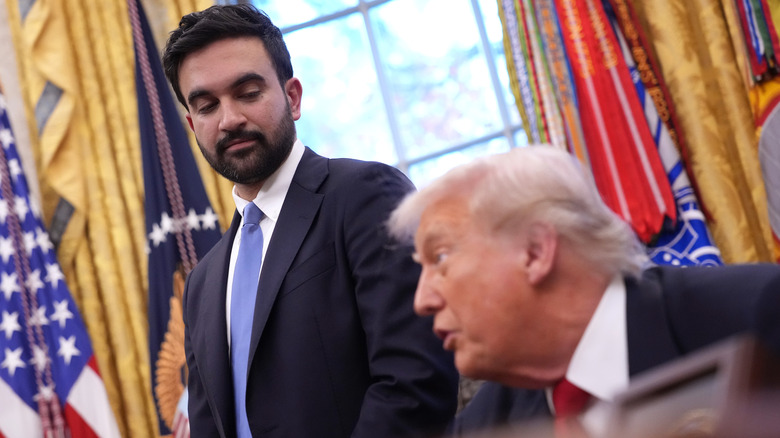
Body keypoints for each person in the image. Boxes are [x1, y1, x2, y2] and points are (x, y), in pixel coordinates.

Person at [161, 4, 459, 437]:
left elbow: (416, 382)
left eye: (248, 92)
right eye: (207, 106)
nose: (230, 120)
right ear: (192, 124)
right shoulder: (202, 285)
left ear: (293, 97)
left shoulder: (365, 195)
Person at [387, 145, 780, 437]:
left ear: (535, 251)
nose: (422, 301)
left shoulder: (756, 315)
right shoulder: (485, 425)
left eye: (439, 258)